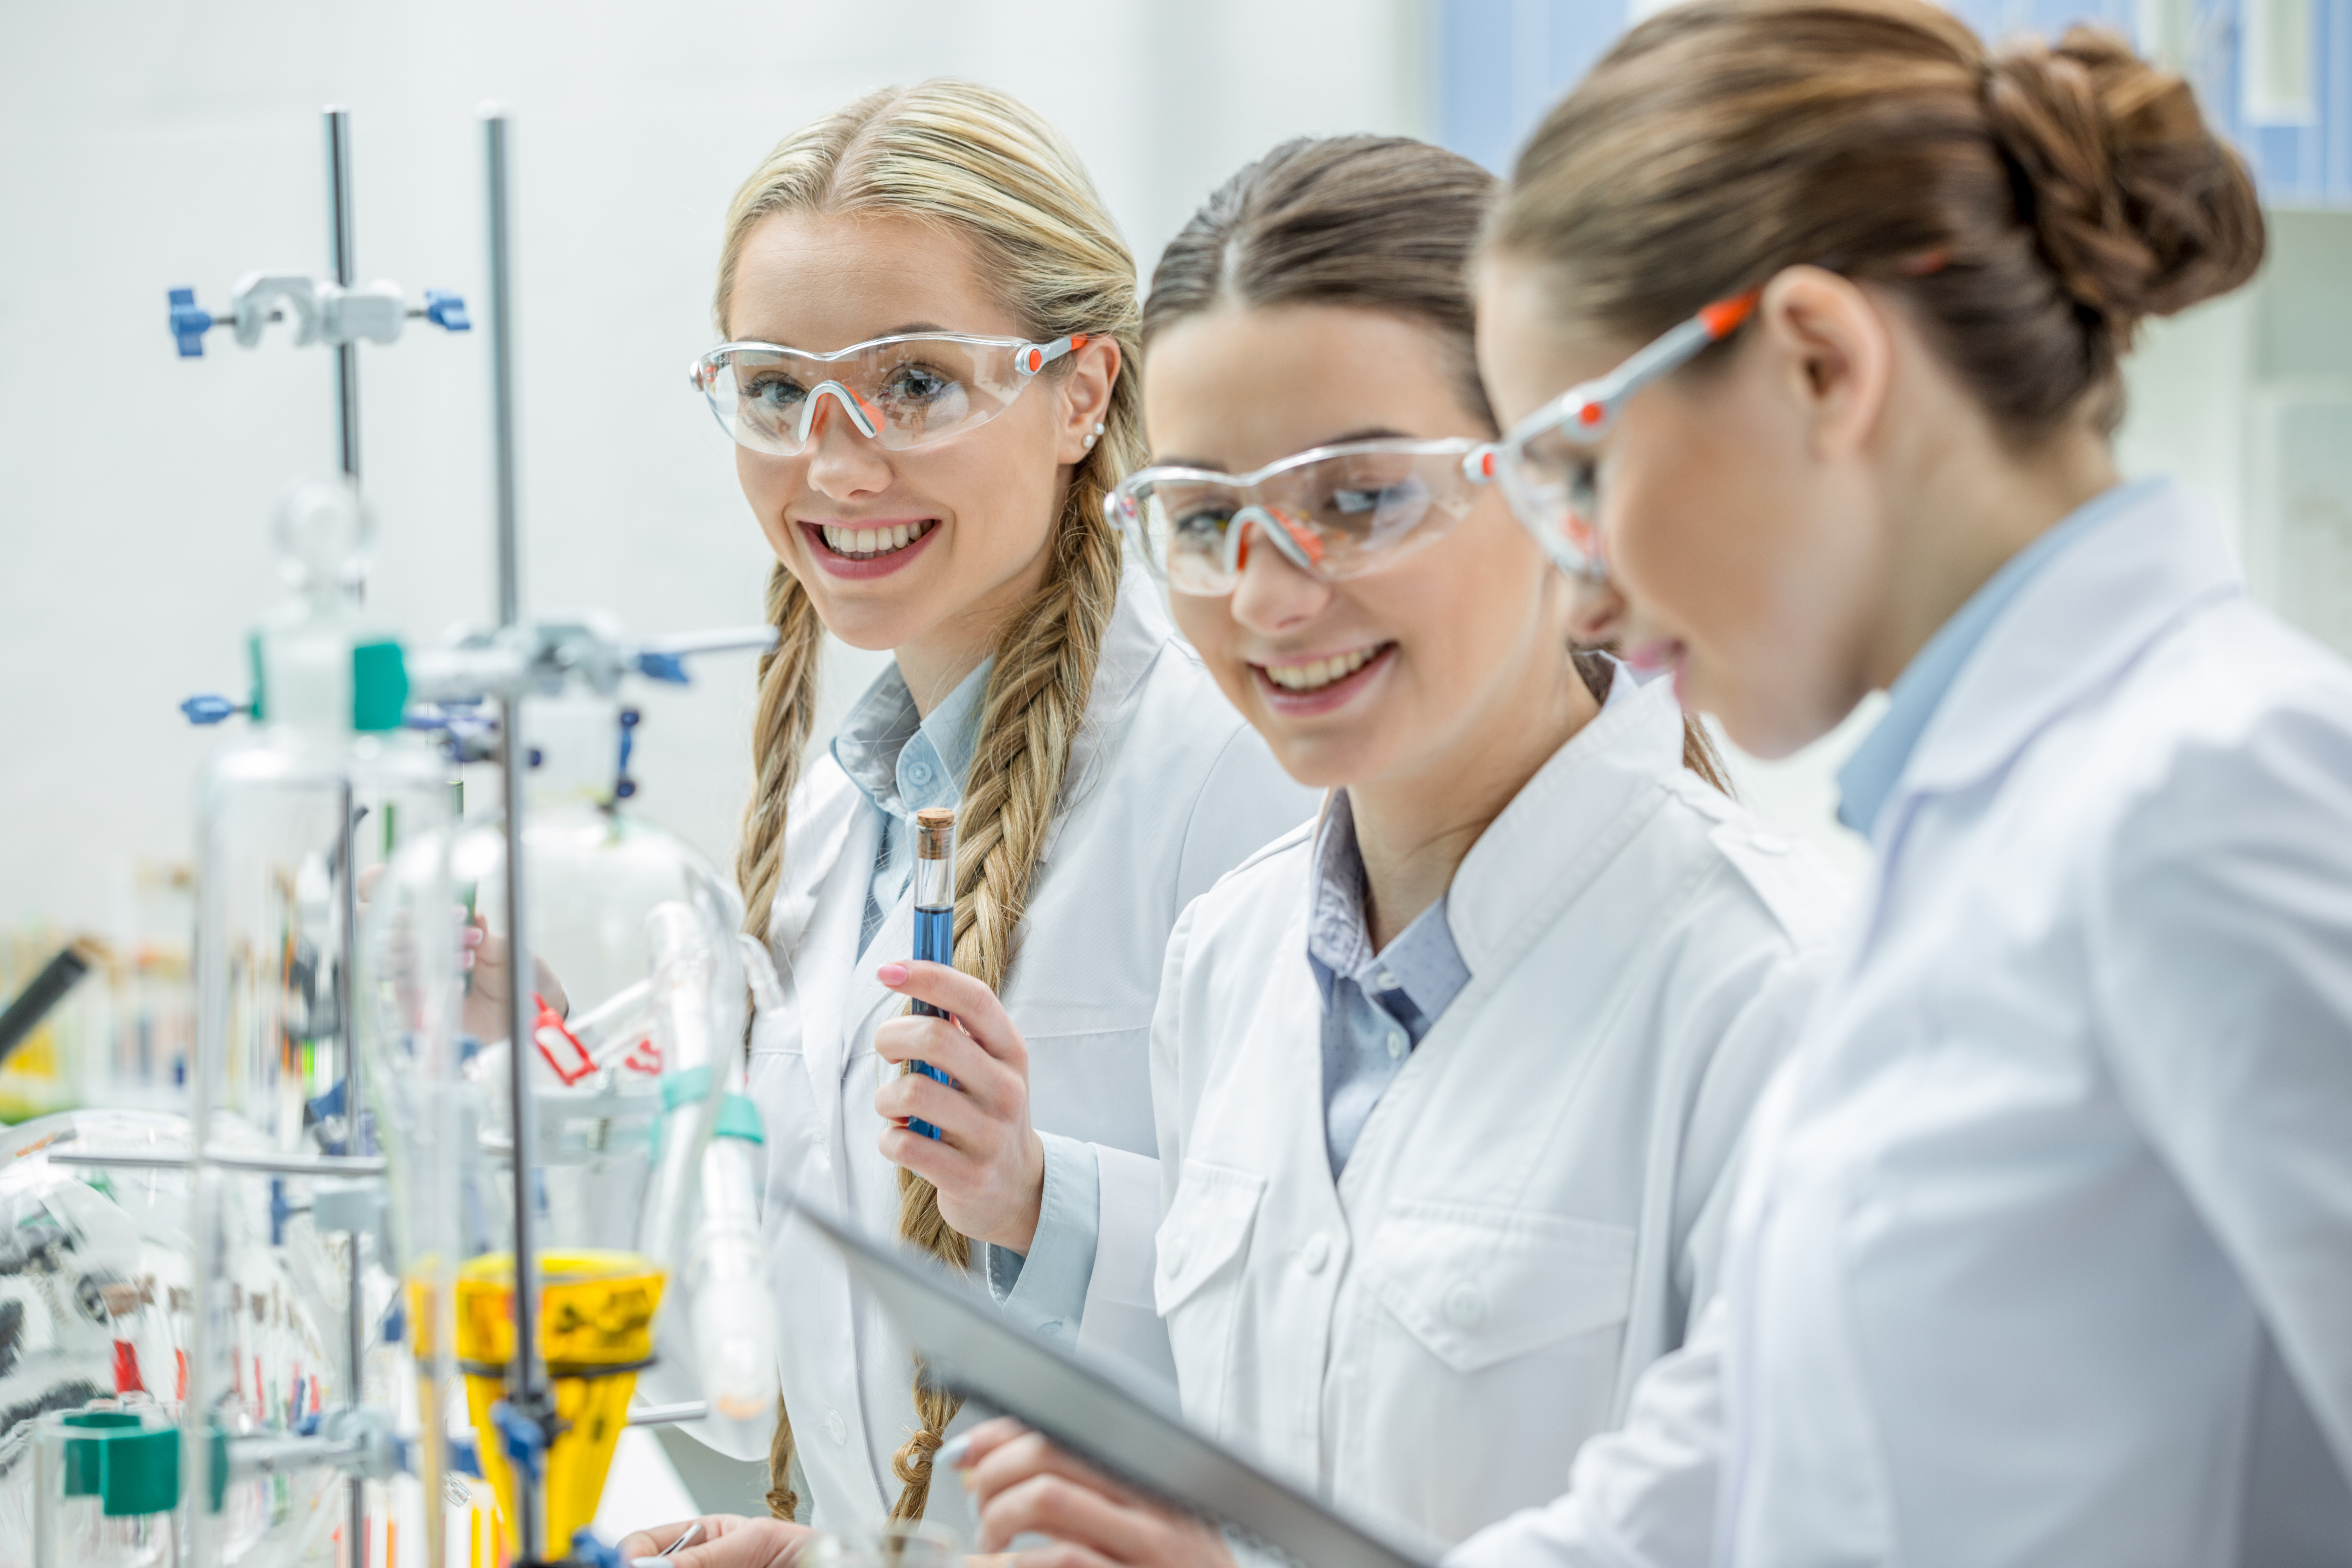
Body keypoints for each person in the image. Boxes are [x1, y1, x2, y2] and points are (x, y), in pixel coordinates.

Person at [1438, 2, 2348, 1562]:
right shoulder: (1959, 833)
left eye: (1583, 475)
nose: (1577, 596)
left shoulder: (2208, 789)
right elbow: (1725, 1470)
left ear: (1818, 359)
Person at [945, 134, 1846, 1561]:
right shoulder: (1230, 964)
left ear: (1564, 480)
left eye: (1356, 499)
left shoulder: (1784, 989)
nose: (1265, 596)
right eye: (1201, 517)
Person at [635, 78, 1321, 1554]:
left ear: (1083, 391)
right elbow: (835, 1352)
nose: (835, 461)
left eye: (915, 384)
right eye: (774, 390)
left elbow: (1326, 1305)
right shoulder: (842, 818)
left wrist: (1044, 1194)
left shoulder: (1233, 768)